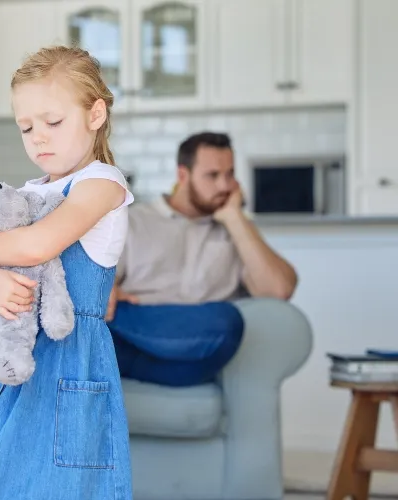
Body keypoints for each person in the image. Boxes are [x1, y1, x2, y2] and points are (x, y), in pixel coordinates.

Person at [0, 46, 134, 500]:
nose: (38, 138)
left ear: (95, 113)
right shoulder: (26, 193)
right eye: (26, 127)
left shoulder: (102, 184)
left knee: (53, 484)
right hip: (7, 354)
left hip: (66, 362)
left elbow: (38, 245)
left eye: (53, 122)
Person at [106, 131, 298, 387]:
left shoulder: (237, 233)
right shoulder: (135, 220)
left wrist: (235, 218)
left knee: (226, 324)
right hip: (139, 329)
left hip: (198, 346)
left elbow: (279, 290)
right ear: (183, 176)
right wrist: (109, 287)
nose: (225, 186)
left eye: (230, 174)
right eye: (213, 175)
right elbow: (104, 288)